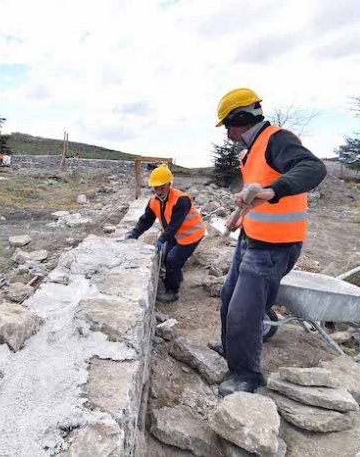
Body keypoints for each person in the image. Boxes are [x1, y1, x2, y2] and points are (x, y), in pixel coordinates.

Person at [209, 88, 326, 396]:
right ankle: (232, 348)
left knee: (244, 311)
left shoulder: (278, 140)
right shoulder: (253, 150)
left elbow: (313, 168)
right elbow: (253, 196)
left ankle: (246, 376)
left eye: (229, 127)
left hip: (275, 246)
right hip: (251, 237)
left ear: (241, 118)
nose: (229, 135)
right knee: (228, 298)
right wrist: (239, 218)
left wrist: (274, 191)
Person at [124, 164, 205, 302]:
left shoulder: (181, 200)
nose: (159, 190)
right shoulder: (154, 201)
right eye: (156, 187)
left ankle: (173, 292)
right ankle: (176, 277)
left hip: (191, 235)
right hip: (175, 234)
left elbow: (175, 224)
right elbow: (146, 220)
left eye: (162, 187)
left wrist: (161, 239)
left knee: (172, 259)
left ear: (169, 184)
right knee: (168, 257)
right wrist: (135, 233)